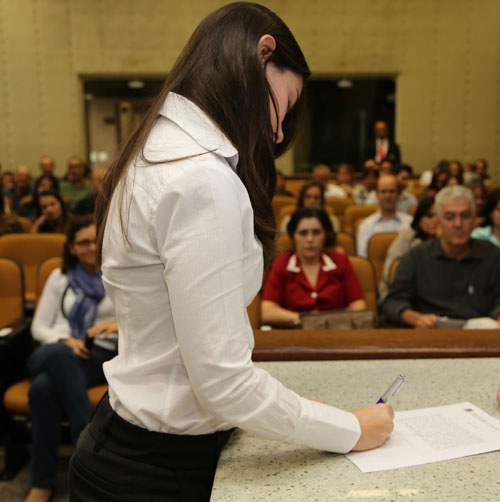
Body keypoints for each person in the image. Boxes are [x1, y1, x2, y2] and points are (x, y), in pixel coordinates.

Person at [69, 4, 393, 501]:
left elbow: (200, 359)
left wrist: (300, 414)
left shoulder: (156, 150)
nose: (280, 132)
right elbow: (222, 382)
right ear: (263, 53)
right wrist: (350, 428)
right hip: (157, 467)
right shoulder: (201, 178)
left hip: (130, 442)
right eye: (285, 102)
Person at [26, 216, 118, 502]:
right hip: (57, 350)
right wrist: (65, 341)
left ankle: (42, 484)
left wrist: (116, 326)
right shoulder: (59, 277)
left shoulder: (117, 274)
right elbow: (38, 327)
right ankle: (86, 446)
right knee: (58, 354)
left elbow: (140, 322)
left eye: (94, 241)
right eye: (82, 243)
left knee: (42, 388)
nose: (90, 247)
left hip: (99, 354)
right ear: (71, 248)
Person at [382, 186, 500, 328]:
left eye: (465, 216)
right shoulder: (416, 257)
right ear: (438, 221)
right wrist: (416, 318)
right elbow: (392, 302)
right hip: (430, 333)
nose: (458, 224)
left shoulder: (493, 255)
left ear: (474, 220)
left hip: (482, 334)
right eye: (450, 217)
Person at [261, 208, 367, 327]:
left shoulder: (340, 262)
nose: (310, 239)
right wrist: (308, 320)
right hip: (294, 332)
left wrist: (331, 322)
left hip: (336, 332)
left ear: (325, 235)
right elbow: (267, 311)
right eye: (303, 233)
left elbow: (359, 306)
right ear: (293, 237)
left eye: (316, 232)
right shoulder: (281, 264)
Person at [378, 197, 438, 301]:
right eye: (429, 216)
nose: (435, 221)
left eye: (440, 216)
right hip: (404, 293)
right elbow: (389, 272)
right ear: (419, 218)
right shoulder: (407, 236)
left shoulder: (450, 242)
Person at [356, 174, 412, 258]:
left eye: (391, 191)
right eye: (383, 191)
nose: (387, 196)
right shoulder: (366, 225)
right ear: (377, 194)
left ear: (398, 194)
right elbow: (363, 259)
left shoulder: (410, 223)